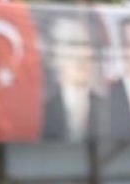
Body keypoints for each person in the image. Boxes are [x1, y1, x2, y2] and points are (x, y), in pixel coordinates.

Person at [40, 13, 103, 143]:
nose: (80, 55)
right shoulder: (43, 112)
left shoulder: (107, 108)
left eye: (84, 45)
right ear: (54, 56)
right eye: (71, 46)